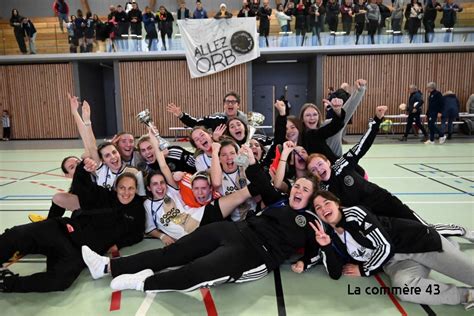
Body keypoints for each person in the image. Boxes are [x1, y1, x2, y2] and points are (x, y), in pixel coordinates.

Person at [81, 147, 321, 293]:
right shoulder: (279, 200)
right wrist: (251, 160)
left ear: (311, 197)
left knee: (197, 272)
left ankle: (142, 282)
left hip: (256, 255)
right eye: (297, 186)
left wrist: (306, 262)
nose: (298, 190)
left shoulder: (312, 221)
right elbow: (259, 180)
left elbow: (317, 250)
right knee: (173, 253)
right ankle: (106, 266)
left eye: (305, 189)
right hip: (233, 230)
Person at [306, 105, 473, 242]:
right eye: (314, 169)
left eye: (320, 164)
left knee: (421, 227)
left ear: (327, 162)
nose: (319, 169)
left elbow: (362, 146)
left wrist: (377, 120)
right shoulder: (323, 189)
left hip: (384, 201)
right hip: (371, 216)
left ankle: (459, 230)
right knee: (402, 234)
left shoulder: (341, 165)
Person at [311, 190, 474, 310]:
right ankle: (466, 295)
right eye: (318, 207)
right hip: (395, 263)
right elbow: (335, 273)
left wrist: (364, 269)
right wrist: (325, 246)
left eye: (326, 203)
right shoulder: (330, 236)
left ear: (337, 203)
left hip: (420, 244)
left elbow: (385, 246)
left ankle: (448, 242)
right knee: (405, 289)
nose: (323, 208)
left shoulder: (355, 213)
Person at [0, 163, 146, 293]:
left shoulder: (137, 209)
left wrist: (118, 244)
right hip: (63, 230)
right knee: (16, 234)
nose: (126, 193)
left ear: (136, 190)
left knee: (61, 280)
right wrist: (83, 167)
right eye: (122, 188)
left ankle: (7, 283)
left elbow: (138, 234)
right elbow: (80, 186)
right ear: (115, 188)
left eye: (130, 188)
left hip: (78, 253)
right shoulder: (102, 195)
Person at [28, 155, 81, 222]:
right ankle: (49, 222)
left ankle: (48, 222)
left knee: (59, 198)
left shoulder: (93, 172)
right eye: (72, 167)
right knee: (60, 198)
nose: (78, 166)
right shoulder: (77, 185)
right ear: (68, 175)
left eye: (78, 163)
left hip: (94, 212)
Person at [167, 91, 248, 131]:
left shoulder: (245, 119)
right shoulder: (216, 118)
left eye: (233, 102)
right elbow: (195, 122)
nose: (230, 104)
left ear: (238, 105)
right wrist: (181, 115)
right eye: (227, 102)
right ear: (224, 105)